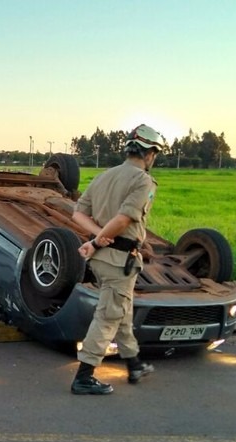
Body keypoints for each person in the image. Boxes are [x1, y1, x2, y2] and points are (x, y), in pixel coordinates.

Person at [68, 124, 165, 395]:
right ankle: (84, 376)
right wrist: (99, 239)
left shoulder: (103, 177)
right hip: (118, 259)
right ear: (150, 154)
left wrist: (97, 236)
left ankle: (134, 364)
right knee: (110, 314)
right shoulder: (143, 180)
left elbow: (78, 214)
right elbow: (123, 219)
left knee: (122, 309)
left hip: (102, 258)